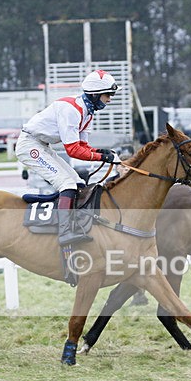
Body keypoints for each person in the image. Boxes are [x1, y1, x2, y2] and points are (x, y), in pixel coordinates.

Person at [15, 69, 119, 284]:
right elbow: (73, 150)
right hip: (29, 145)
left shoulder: (88, 112)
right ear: (94, 94)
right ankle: (64, 233)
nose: (109, 99)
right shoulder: (72, 109)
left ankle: (76, 225)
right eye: (107, 95)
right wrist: (101, 156)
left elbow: (84, 146)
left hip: (42, 145)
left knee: (79, 183)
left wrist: (101, 153)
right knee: (67, 184)